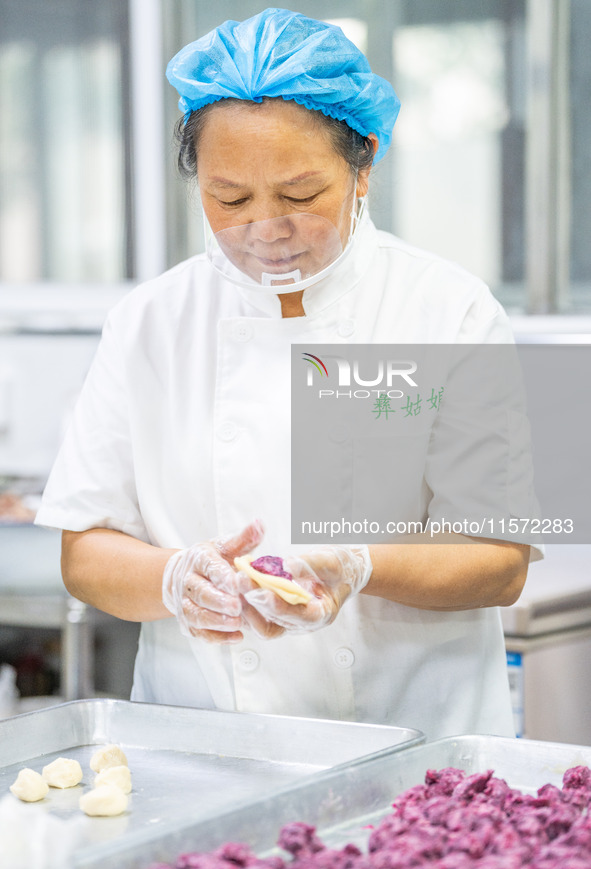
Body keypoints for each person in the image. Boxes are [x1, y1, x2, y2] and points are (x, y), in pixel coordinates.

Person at [35, 8, 539, 740]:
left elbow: (500, 561)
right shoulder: (150, 320)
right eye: (229, 197)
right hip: (205, 747)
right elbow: (85, 550)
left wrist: (356, 567)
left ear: (364, 162)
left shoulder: (449, 310)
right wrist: (175, 579)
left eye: (301, 195)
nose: (265, 228)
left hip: (414, 754)